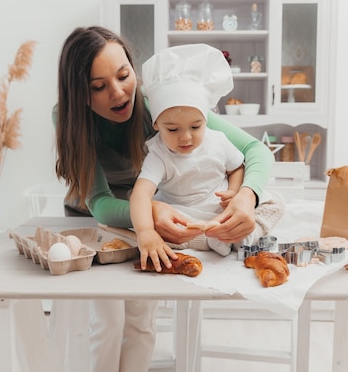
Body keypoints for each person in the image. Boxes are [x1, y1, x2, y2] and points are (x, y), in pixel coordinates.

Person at [53, 26, 279, 372]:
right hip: (98, 220)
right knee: (109, 322)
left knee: (142, 319)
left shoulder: (164, 106)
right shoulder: (68, 117)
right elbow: (99, 201)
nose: (118, 94)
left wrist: (246, 196)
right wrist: (150, 213)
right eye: (98, 87)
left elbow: (254, 150)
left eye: (124, 75)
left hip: (148, 217)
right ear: (78, 94)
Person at [131, 44, 265, 263]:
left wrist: (233, 193)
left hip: (217, 208)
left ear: (206, 119)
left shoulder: (218, 140)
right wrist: (145, 232)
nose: (185, 137)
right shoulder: (158, 153)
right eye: (173, 129)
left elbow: (236, 168)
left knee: (272, 203)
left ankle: (222, 234)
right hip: (184, 212)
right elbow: (140, 194)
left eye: (195, 127)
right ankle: (208, 238)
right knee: (161, 224)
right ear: (156, 124)